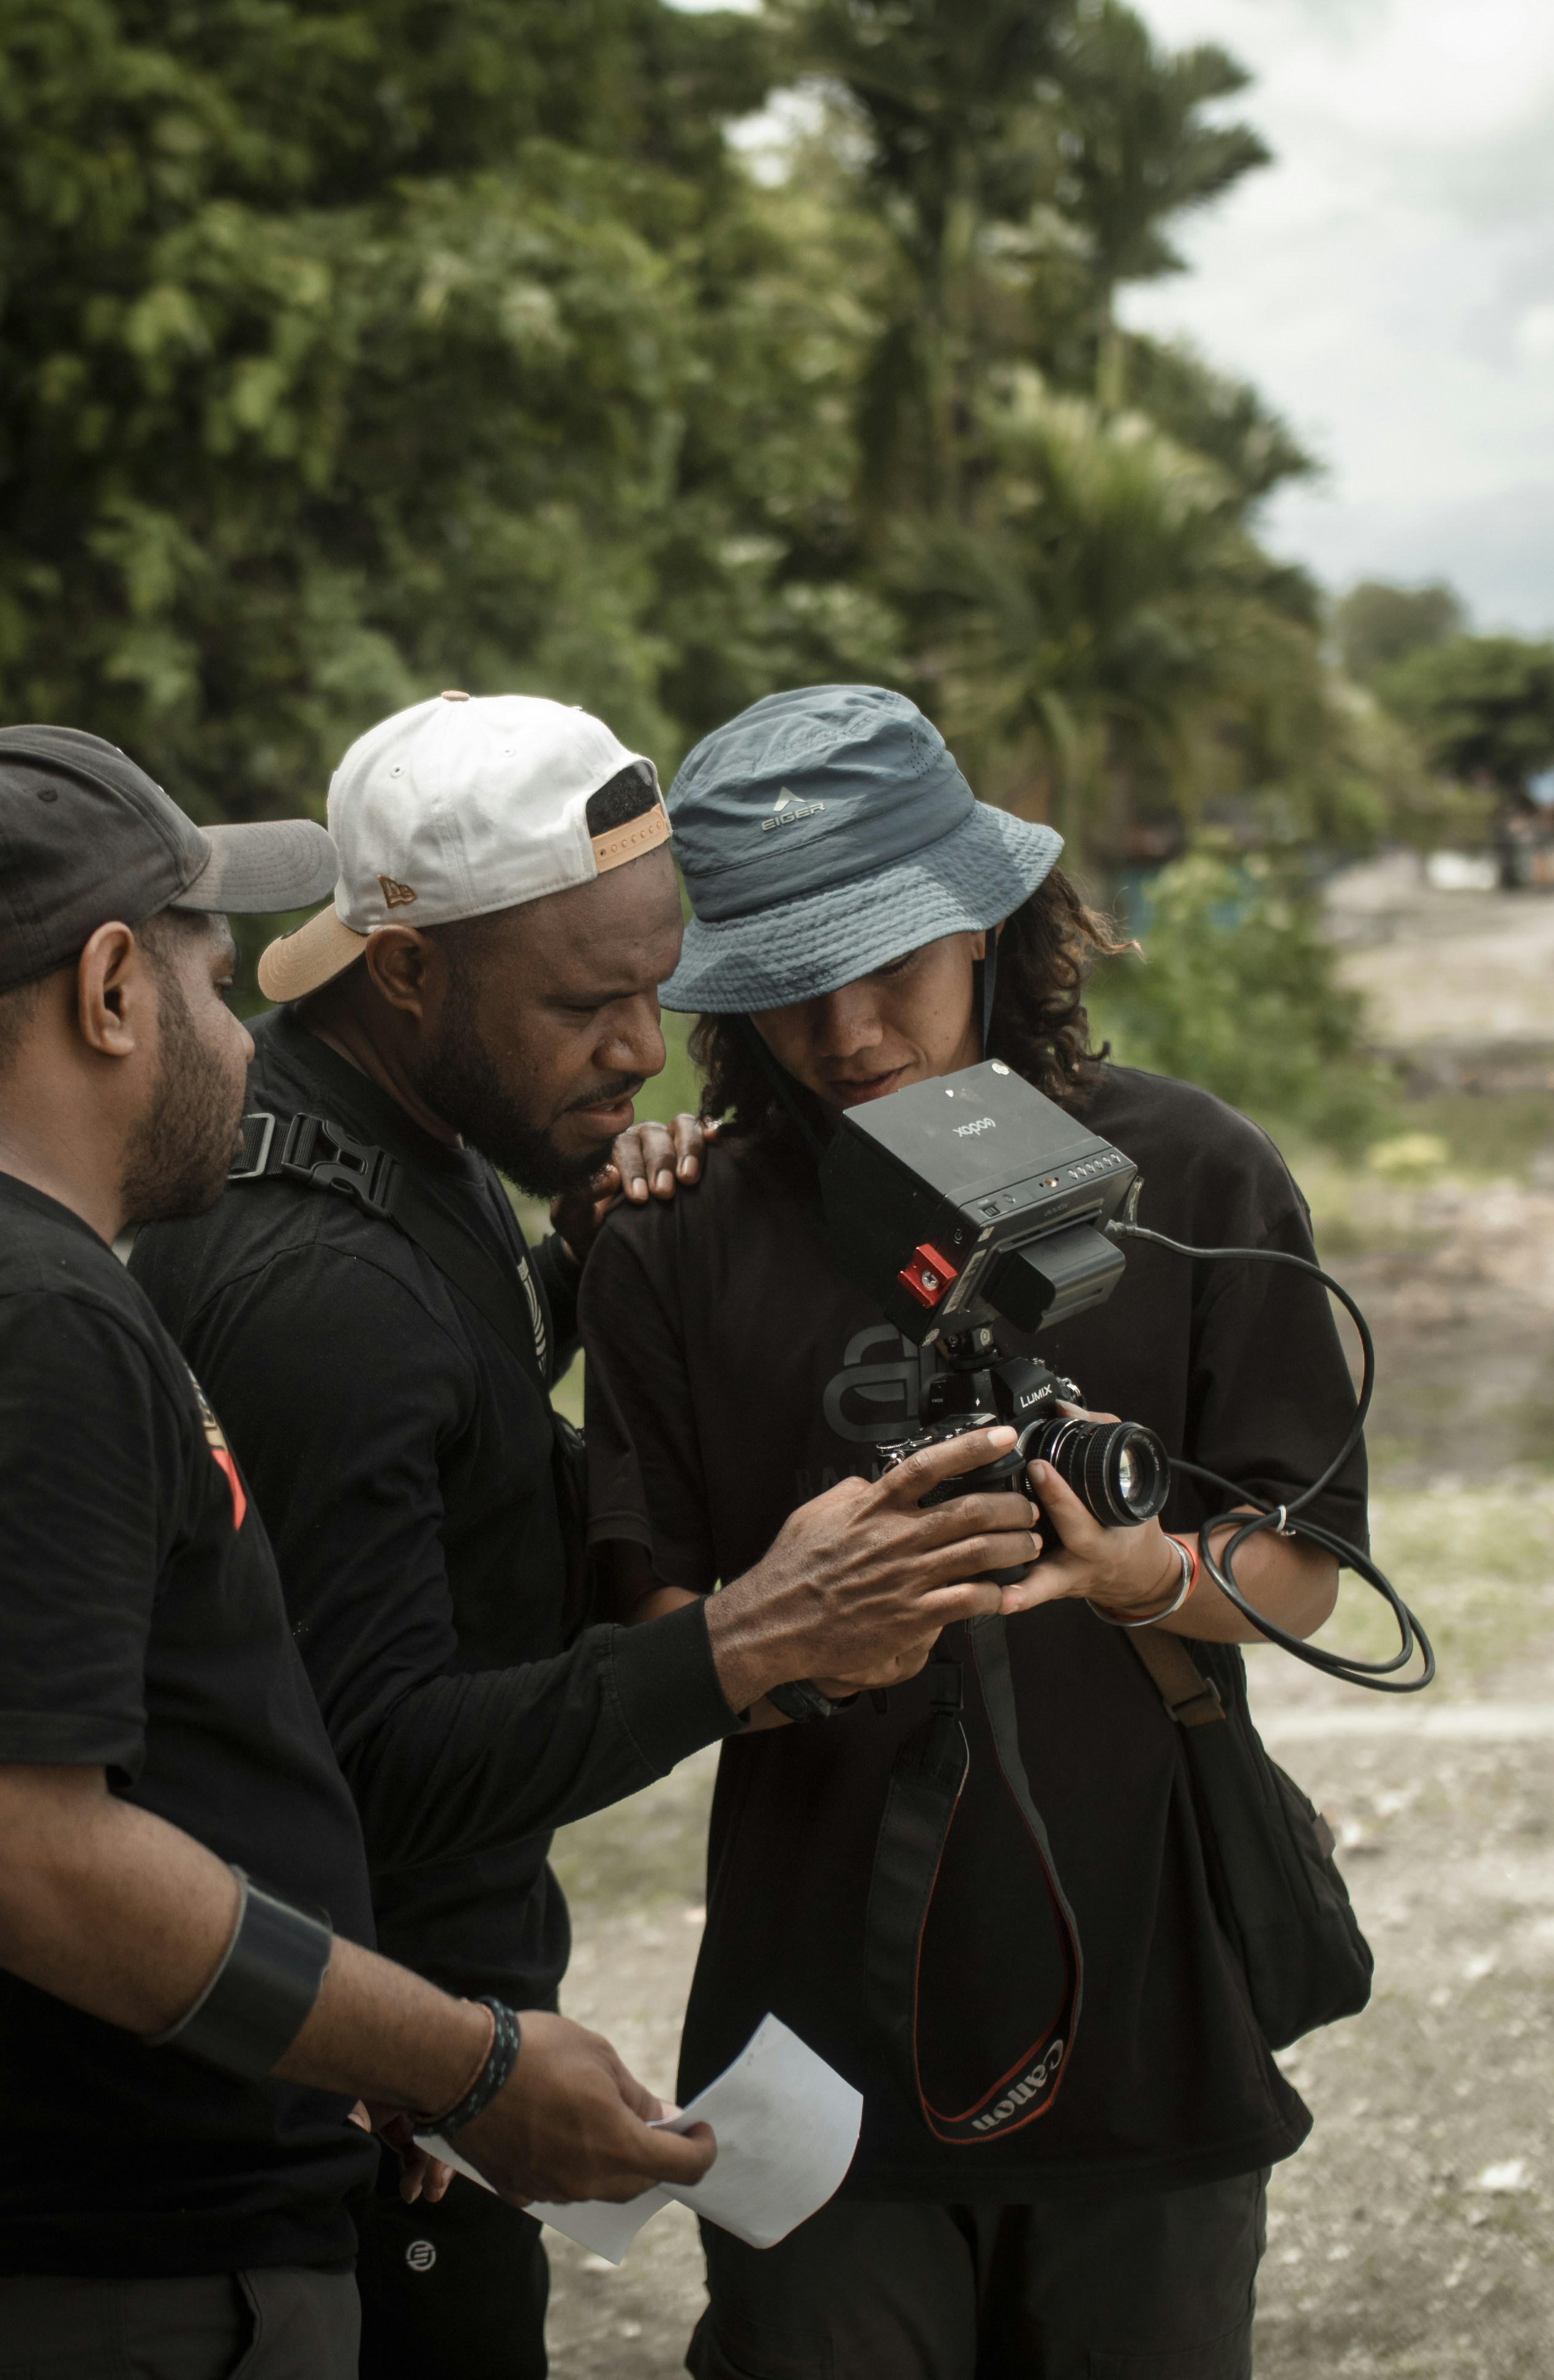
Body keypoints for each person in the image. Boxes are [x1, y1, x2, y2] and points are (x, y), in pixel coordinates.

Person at [0, 726, 716, 2380]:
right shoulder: (20, 1323)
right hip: (84, 2280)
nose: (247, 1043)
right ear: (111, 990)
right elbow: (24, 1860)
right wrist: (468, 2064)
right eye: (210, 984)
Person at [129, 692, 1045, 2378]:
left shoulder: (416, 1161)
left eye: (655, 985)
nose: (640, 1049)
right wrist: (741, 1646)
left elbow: (439, 1421)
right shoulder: (320, 1279)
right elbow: (364, 1768)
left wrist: (576, 1263)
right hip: (342, 2120)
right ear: (409, 974)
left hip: (411, 2063)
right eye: (586, 1002)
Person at [580, 685, 1368, 2380]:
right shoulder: (678, 1232)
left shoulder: (1198, 1182)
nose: (850, 1029)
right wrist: (796, 1632)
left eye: (894, 966)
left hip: (1151, 2029)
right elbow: (648, 1647)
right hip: (819, 2066)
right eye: (790, 983)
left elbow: (1308, 1574)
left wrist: (1138, 1573)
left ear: (994, 924)